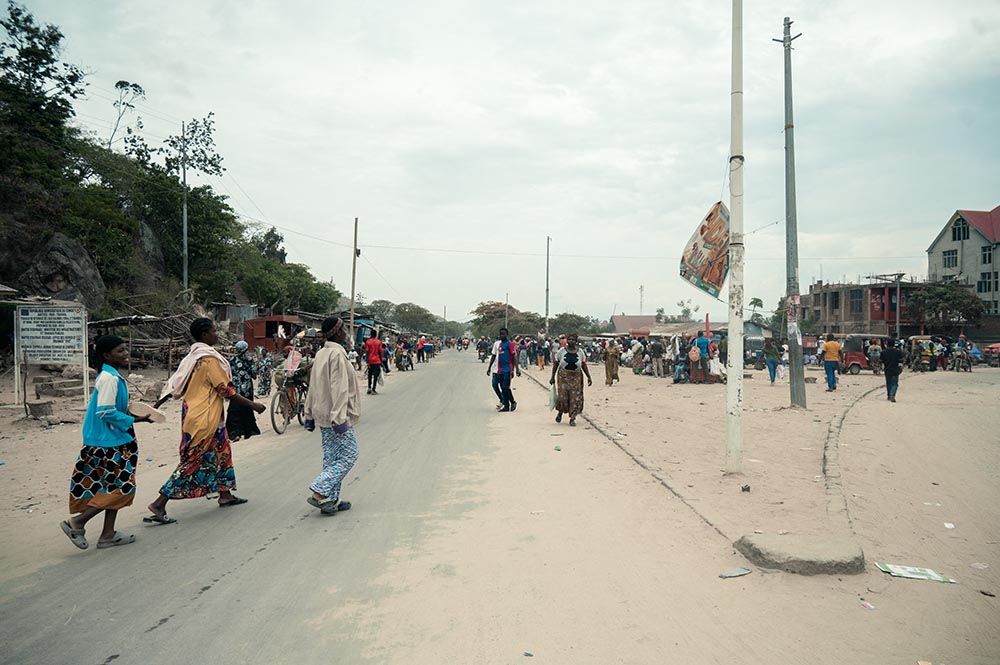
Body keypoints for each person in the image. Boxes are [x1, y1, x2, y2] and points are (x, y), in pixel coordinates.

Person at [147, 318, 265, 524]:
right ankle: (159, 503)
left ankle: (225, 494)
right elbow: (226, 390)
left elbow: (174, 385)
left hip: (197, 413)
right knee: (193, 460)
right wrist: (253, 405)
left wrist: (157, 405)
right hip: (205, 416)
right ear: (203, 335)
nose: (216, 335)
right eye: (213, 331)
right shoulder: (208, 360)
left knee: (222, 452)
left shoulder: (192, 358)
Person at [61, 335, 154, 550]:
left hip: (109, 440)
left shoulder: (110, 376)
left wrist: (134, 412)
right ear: (107, 355)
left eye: (125, 349)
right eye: (120, 351)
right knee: (120, 489)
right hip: (110, 444)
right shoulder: (110, 379)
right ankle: (77, 522)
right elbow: (105, 411)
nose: (125, 354)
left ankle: (108, 534)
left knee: (111, 487)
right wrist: (135, 419)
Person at [303, 316, 359, 515]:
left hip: (323, 412)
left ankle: (331, 500)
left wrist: (308, 413)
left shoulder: (322, 353)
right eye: (344, 329)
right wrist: (339, 418)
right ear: (337, 332)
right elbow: (339, 389)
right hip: (335, 415)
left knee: (332, 457)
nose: (346, 333)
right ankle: (319, 491)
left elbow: (313, 387)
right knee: (350, 455)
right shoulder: (336, 355)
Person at [550, 333, 593, 426]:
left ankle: (572, 418)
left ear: (576, 341)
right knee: (562, 397)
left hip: (576, 377)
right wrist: (552, 376)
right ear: (567, 341)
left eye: (573, 340)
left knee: (575, 398)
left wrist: (589, 376)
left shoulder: (580, 352)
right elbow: (556, 364)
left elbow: (584, 364)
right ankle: (560, 412)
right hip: (563, 376)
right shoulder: (561, 351)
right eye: (569, 339)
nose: (571, 341)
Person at [226, 341, 261, 442]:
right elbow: (254, 376)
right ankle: (249, 431)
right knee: (247, 409)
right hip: (247, 390)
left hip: (236, 391)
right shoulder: (250, 360)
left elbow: (228, 375)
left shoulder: (232, 360)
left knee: (234, 411)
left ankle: (235, 433)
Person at [487, 327, 521, 412]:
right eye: (500, 334)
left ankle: (512, 402)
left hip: (507, 369)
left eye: (503, 334)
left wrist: (517, 369)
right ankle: (506, 406)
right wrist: (489, 367)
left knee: (506, 387)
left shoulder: (510, 344)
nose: (502, 335)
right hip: (499, 369)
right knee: (502, 387)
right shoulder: (498, 344)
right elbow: (494, 356)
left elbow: (514, 356)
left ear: (507, 335)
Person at [881, 335, 904, 402]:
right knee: (894, 383)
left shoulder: (883, 352)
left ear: (887, 344)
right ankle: (892, 395)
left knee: (888, 383)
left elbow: (881, 360)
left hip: (887, 369)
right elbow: (901, 360)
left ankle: (888, 395)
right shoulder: (898, 352)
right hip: (895, 370)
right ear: (894, 344)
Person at [364, 330, 384, 395]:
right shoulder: (379, 342)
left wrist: (367, 360)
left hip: (370, 360)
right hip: (377, 361)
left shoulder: (367, 342)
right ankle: (373, 389)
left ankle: (369, 388)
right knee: (375, 376)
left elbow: (367, 352)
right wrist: (381, 361)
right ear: (376, 334)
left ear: (370, 334)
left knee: (369, 375)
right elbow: (380, 352)